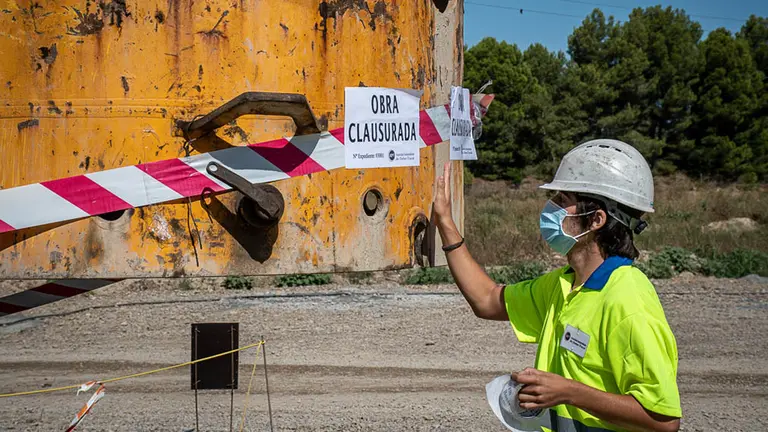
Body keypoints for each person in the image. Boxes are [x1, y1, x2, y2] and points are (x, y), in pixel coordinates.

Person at [433, 139, 682, 432]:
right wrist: (445, 222)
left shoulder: (628, 301)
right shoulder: (563, 284)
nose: (550, 208)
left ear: (597, 219)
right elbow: (487, 300)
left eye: (563, 200)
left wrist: (568, 392)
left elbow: (664, 421)